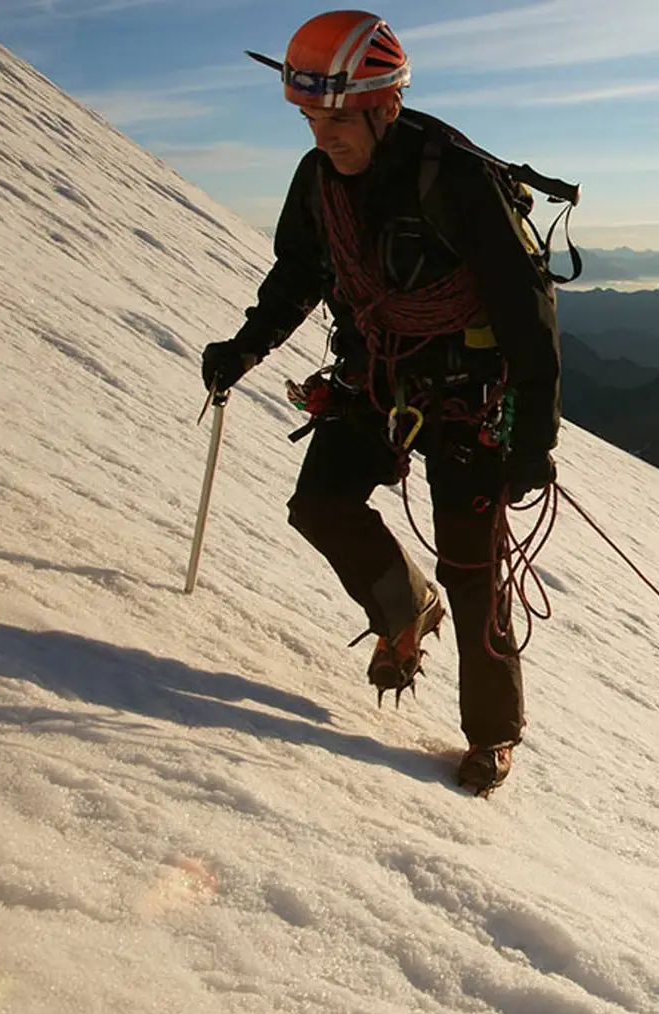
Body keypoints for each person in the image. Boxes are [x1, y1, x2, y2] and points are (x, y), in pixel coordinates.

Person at [200, 11, 560, 797]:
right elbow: (298, 275)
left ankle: (492, 734)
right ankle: (405, 604)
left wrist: (535, 430)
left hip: (468, 396)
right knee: (321, 502)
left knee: (473, 572)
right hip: (379, 378)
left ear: (384, 105)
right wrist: (245, 347)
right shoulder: (319, 182)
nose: (321, 135)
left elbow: (525, 307)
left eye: (334, 118)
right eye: (308, 117)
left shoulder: (459, 182)